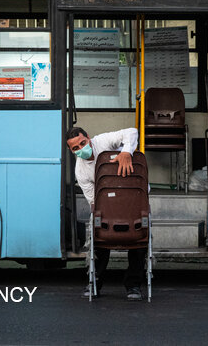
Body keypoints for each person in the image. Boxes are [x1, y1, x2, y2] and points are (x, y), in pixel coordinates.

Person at [66, 126, 147, 301]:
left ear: (88, 138)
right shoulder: (80, 170)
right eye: (76, 148)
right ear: (71, 151)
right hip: (108, 205)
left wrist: (126, 152)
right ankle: (95, 282)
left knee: (140, 233)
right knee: (98, 232)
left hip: (135, 198)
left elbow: (132, 131)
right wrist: (104, 216)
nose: (81, 149)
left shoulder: (102, 141)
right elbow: (93, 202)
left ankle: (133, 285)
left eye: (83, 143)